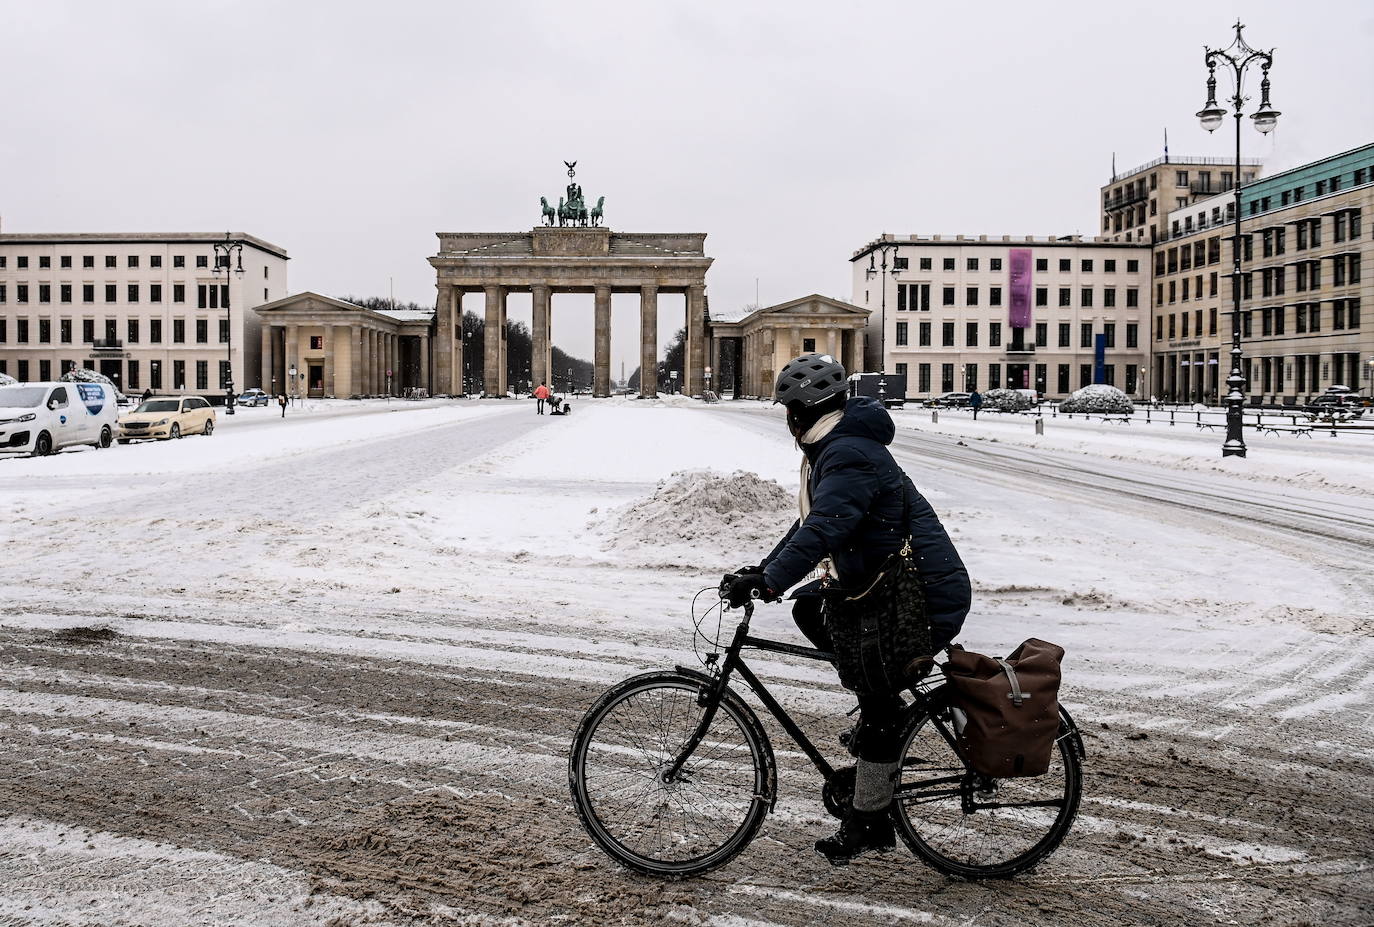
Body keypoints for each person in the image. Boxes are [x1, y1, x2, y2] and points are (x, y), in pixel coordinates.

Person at [722, 353, 970, 864]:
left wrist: (770, 580)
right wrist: (763, 570)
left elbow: (827, 527)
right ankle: (885, 709)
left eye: (788, 411)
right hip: (885, 588)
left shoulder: (848, 452)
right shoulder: (835, 447)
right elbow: (813, 523)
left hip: (919, 596)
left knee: (878, 705)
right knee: (809, 608)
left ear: (800, 412)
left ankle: (870, 821)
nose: (788, 422)